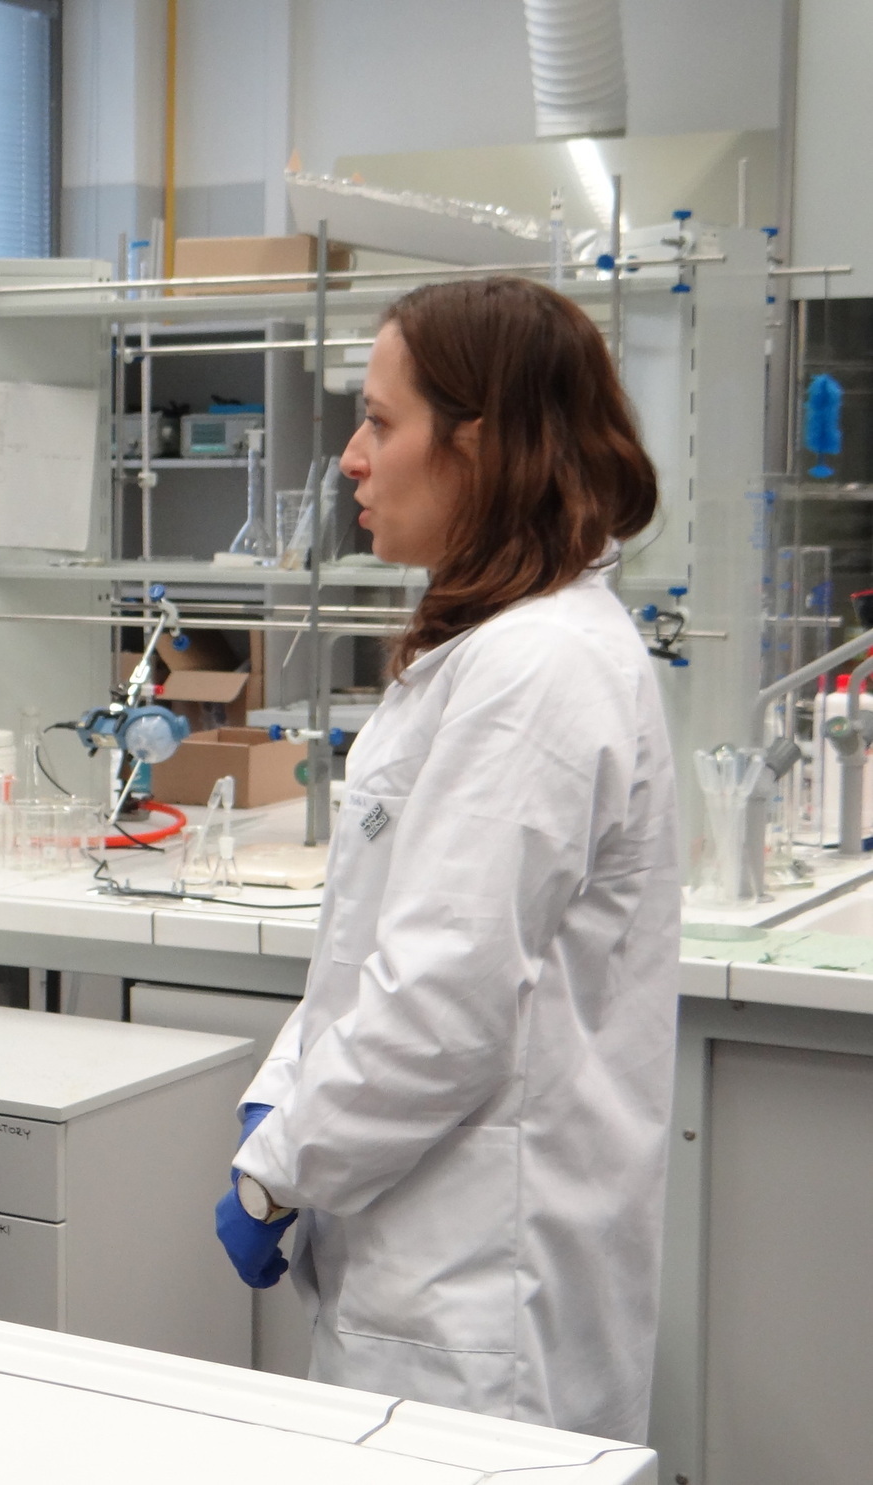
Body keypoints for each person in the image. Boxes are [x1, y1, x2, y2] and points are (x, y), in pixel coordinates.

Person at [214, 276, 680, 1443]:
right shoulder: (499, 648)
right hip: (430, 1260)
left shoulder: (537, 668)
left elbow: (441, 1007)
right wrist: (284, 1090)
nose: (352, 460)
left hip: (478, 1296)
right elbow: (380, 943)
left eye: (381, 421)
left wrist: (279, 1171)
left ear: (480, 444)